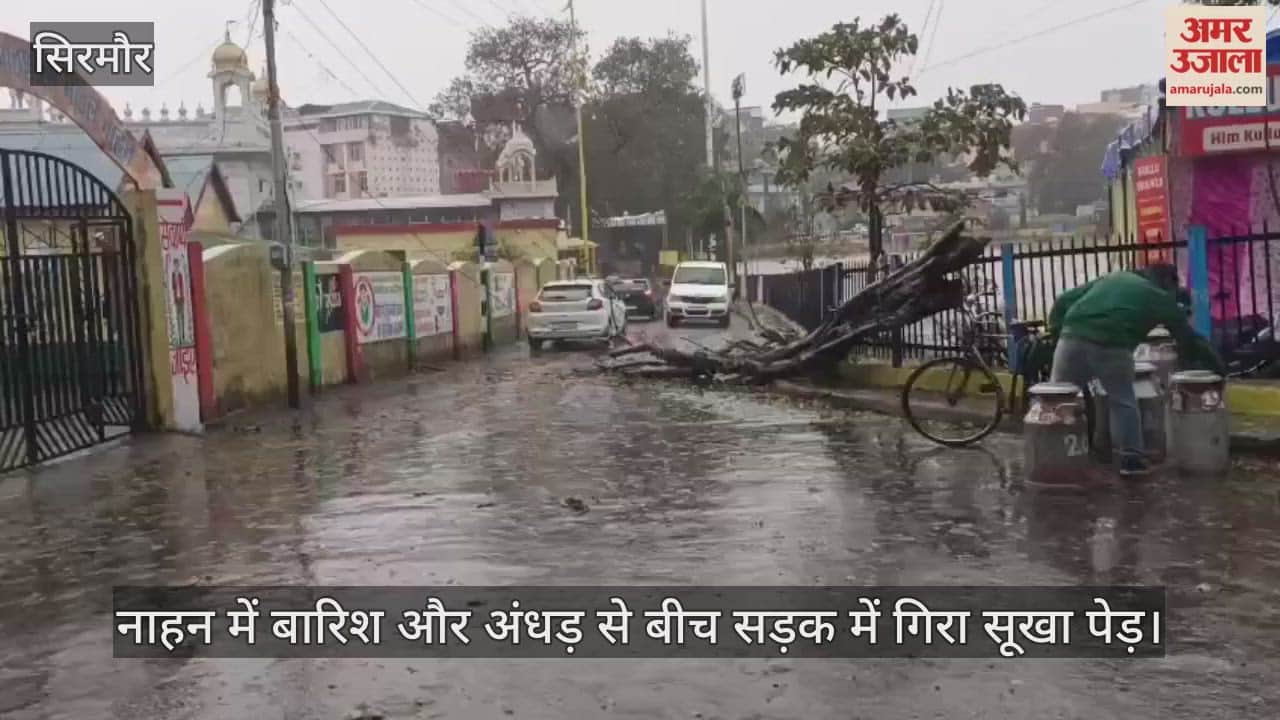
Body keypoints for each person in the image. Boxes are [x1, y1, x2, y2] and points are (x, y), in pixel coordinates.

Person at [1045, 263, 1225, 477]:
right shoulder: (1159, 297)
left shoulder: (1113, 278)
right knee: (1122, 401)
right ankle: (1131, 461)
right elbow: (1188, 338)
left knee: (1055, 399)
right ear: (1167, 283)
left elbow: (1063, 300)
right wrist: (1217, 369)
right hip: (1113, 344)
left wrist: (1057, 332)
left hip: (1071, 338)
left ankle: (1050, 457)